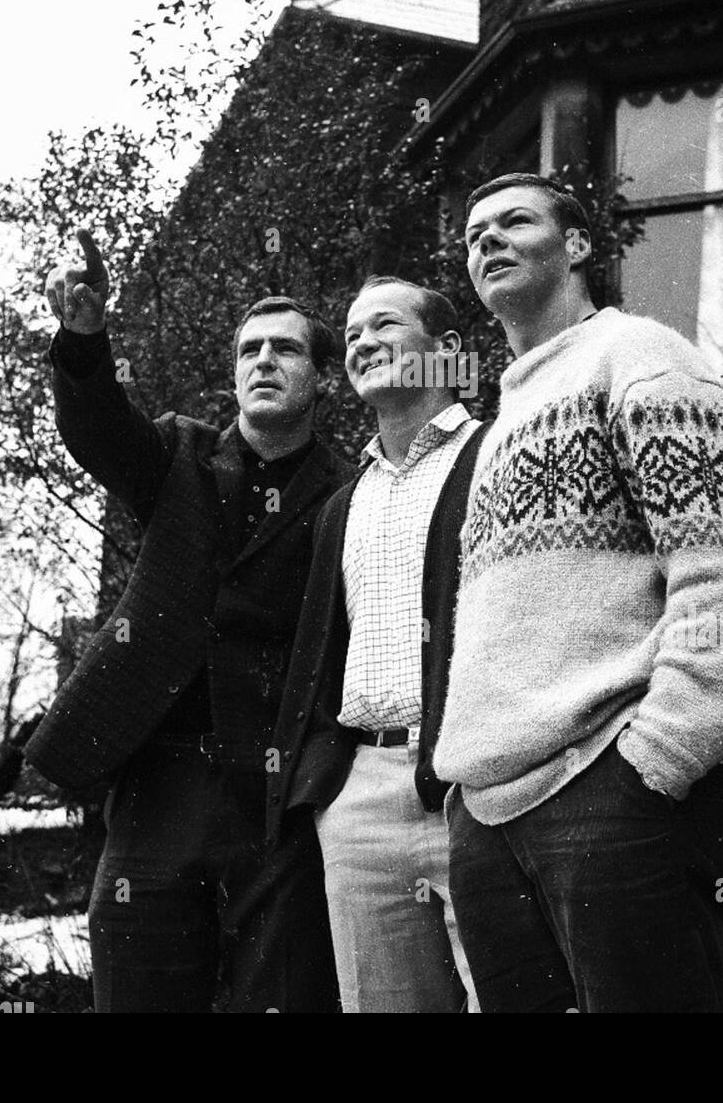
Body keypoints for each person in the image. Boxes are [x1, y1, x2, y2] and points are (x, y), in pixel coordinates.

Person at [433, 173, 723, 1013]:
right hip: (487, 817)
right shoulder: (498, 428)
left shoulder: (640, 357)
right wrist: (465, 802)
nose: (485, 241)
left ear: (577, 246)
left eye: (514, 222)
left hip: (609, 795)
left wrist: (657, 760)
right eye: (472, 234)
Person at [24, 229, 350, 1013]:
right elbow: (98, 430)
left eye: (285, 350)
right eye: (249, 351)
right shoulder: (177, 456)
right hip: (157, 785)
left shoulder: (354, 489)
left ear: (325, 381)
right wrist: (82, 341)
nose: (263, 361)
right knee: (139, 991)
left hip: (278, 796)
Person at [269, 276, 487, 1012]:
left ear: (446, 351)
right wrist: (323, 787)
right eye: (352, 333)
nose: (360, 342)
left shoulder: (496, 458)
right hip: (359, 794)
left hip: (478, 784)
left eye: (383, 326)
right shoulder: (342, 501)